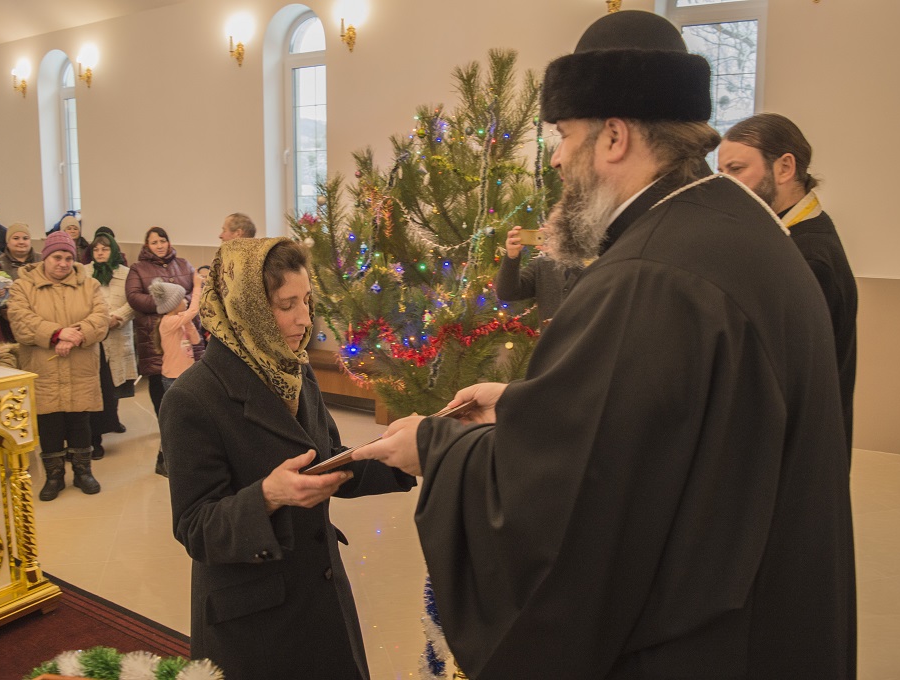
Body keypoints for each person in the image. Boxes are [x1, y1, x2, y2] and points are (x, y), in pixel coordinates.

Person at [352, 11, 855, 680]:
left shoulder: (652, 274)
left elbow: (571, 508)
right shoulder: (736, 227)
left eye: (564, 135)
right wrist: (525, 405)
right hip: (768, 619)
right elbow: (667, 432)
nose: (557, 158)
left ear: (615, 136)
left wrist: (435, 447)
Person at [160, 237, 415, 680]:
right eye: (286, 305)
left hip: (318, 592)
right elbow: (196, 527)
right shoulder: (193, 398)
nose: (305, 319)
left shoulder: (293, 368)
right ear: (248, 309)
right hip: (255, 621)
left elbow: (327, 459)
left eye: (307, 300)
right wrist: (267, 497)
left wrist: (404, 454)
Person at [719, 113, 858, 455]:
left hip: (800, 443)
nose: (724, 184)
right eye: (721, 172)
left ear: (784, 168)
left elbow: (786, 375)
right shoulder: (790, 237)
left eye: (736, 170)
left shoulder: (810, 256)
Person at [8, 231, 109, 501]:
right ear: (45, 257)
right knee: (49, 423)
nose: (63, 263)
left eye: (67, 258)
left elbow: (101, 318)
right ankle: (54, 476)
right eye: (57, 257)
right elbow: (19, 319)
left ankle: (83, 472)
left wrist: (75, 334)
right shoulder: (23, 286)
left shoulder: (89, 285)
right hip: (43, 367)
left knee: (80, 421)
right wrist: (56, 334)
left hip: (80, 365)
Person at [125, 226, 204, 476]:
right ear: (146, 245)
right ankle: (166, 457)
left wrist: (181, 304)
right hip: (160, 345)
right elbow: (134, 297)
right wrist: (171, 303)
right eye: (154, 242)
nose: (159, 245)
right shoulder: (138, 269)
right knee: (169, 411)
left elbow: (193, 328)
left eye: (163, 240)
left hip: (183, 351)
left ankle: (181, 455)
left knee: (186, 414)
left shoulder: (183, 264)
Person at [85, 232, 137, 458]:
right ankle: (95, 436)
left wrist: (118, 317)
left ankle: (112, 420)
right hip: (92, 336)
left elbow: (132, 301)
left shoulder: (126, 273)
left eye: (104, 249)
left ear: (113, 250)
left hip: (117, 333)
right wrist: (97, 321)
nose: (100, 253)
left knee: (115, 383)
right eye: (96, 249)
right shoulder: (84, 272)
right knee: (97, 387)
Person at [495, 225, 580, 325]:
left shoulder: (593, 263)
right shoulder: (542, 264)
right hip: (551, 335)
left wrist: (565, 255)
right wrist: (512, 257)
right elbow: (507, 293)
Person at [150, 278, 201, 393]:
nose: (186, 301)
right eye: (182, 298)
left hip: (187, 374)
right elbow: (194, 310)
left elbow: (196, 340)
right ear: (174, 304)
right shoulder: (168, 322)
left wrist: (187, 321)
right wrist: (197, 287)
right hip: (174, 378)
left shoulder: (179, 321)